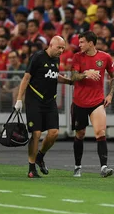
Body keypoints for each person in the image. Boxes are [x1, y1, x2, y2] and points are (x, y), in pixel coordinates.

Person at [15, 36, 72, 178]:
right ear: (50, 45)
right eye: (59, 47)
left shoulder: (56, 59)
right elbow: (26, 78)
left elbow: (53, 75)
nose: (61, 50)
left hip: (49, 101)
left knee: (54, 133)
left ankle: (40, 156)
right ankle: (31, 167)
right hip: (34, 100)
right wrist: (19, 100)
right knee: (36, 134)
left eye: (63, 48)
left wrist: (70, 81)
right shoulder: (38, 57)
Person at [70, 31, 114, 178]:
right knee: (80, 134)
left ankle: (104, 167)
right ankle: (77, 166)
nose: (80, 44)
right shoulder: (77, 57)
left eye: (82, 42)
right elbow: (73, 77)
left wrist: (110, 94)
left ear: (91, 43)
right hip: (79, 102)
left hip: (97, 101)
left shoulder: (105, 57)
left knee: (100, 133)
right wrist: (86, 73)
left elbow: (113, 76)